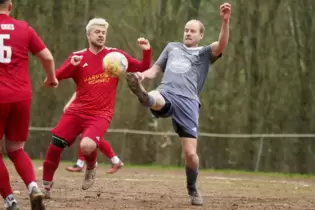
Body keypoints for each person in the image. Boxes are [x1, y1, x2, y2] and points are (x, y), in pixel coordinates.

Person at [125, 3, 231, 206]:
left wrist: (225, 21)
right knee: (155, 97)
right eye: (186, 30)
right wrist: (141, 75)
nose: (188, 33)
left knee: (191, 155)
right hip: (167, 92)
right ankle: (143, 95)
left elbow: (222, 45)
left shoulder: (203, 54)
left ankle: (192, 187)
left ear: (200, 35)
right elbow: (155, 70)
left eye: (193, 31)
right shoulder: (172, 47)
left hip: (189, 102)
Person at [41, 17, 152, 198]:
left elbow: (143, 67)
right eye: (97, 32)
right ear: (88, 35)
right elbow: (52, 81)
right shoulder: (78, 57)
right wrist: (71, 65)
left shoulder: (115, 56)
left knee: (87, 146)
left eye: (103, 33)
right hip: (76, 111)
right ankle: (45, 187)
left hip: (100, 114)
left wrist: (146, 51)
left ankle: (91, 167)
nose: (101, 35)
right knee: (54, 146)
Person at [0, 0, 58, 209]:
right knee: (15, 148)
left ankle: (10, 201)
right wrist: (51, 78)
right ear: (10, 5)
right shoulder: (24, 28)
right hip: (21, 95)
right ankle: (33, 187)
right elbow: (48, 57)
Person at [63, 93, 124, 174]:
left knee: (87, 137)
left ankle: (81, 163)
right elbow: (79, 90)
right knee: (92, 138)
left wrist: (70, 104)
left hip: (98, 112)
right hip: (89, 109)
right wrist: (70, 104)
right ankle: (115, 161)